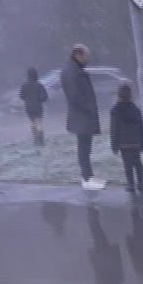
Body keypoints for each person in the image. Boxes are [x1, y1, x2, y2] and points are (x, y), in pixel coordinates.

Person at [62, 44, 105, 190]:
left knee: (86, 148)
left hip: (83, 116)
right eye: (86, 56)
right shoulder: (72, 72)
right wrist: (88, 109)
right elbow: (74, 96)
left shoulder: (75, 70)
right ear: (78, 55)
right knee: (84, 148)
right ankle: (86, 178)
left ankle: (88, 176)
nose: (88, 59)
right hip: (81, 117)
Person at [110, 82, 143, 194]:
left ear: (118, 95)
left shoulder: (116, 110)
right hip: (135, 141)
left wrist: (114, 145)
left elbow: (114, 129)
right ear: (130, 95)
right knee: (138, 162)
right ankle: (140, 183)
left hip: (123, 143)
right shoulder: (135, 109)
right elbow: (141, 127)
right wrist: (142, 142)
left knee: (127, 164)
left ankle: (131, 184)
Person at [19, 67, 49, 146]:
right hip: (38, 107)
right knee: (38, 122)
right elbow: (45, 97)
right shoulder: (39, 85)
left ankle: (35, 138)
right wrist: (39, 100)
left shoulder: (24, 85)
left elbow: (21, 96)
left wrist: (27, 99)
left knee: (32, 122)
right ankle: (41, 139)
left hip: (28, 107)